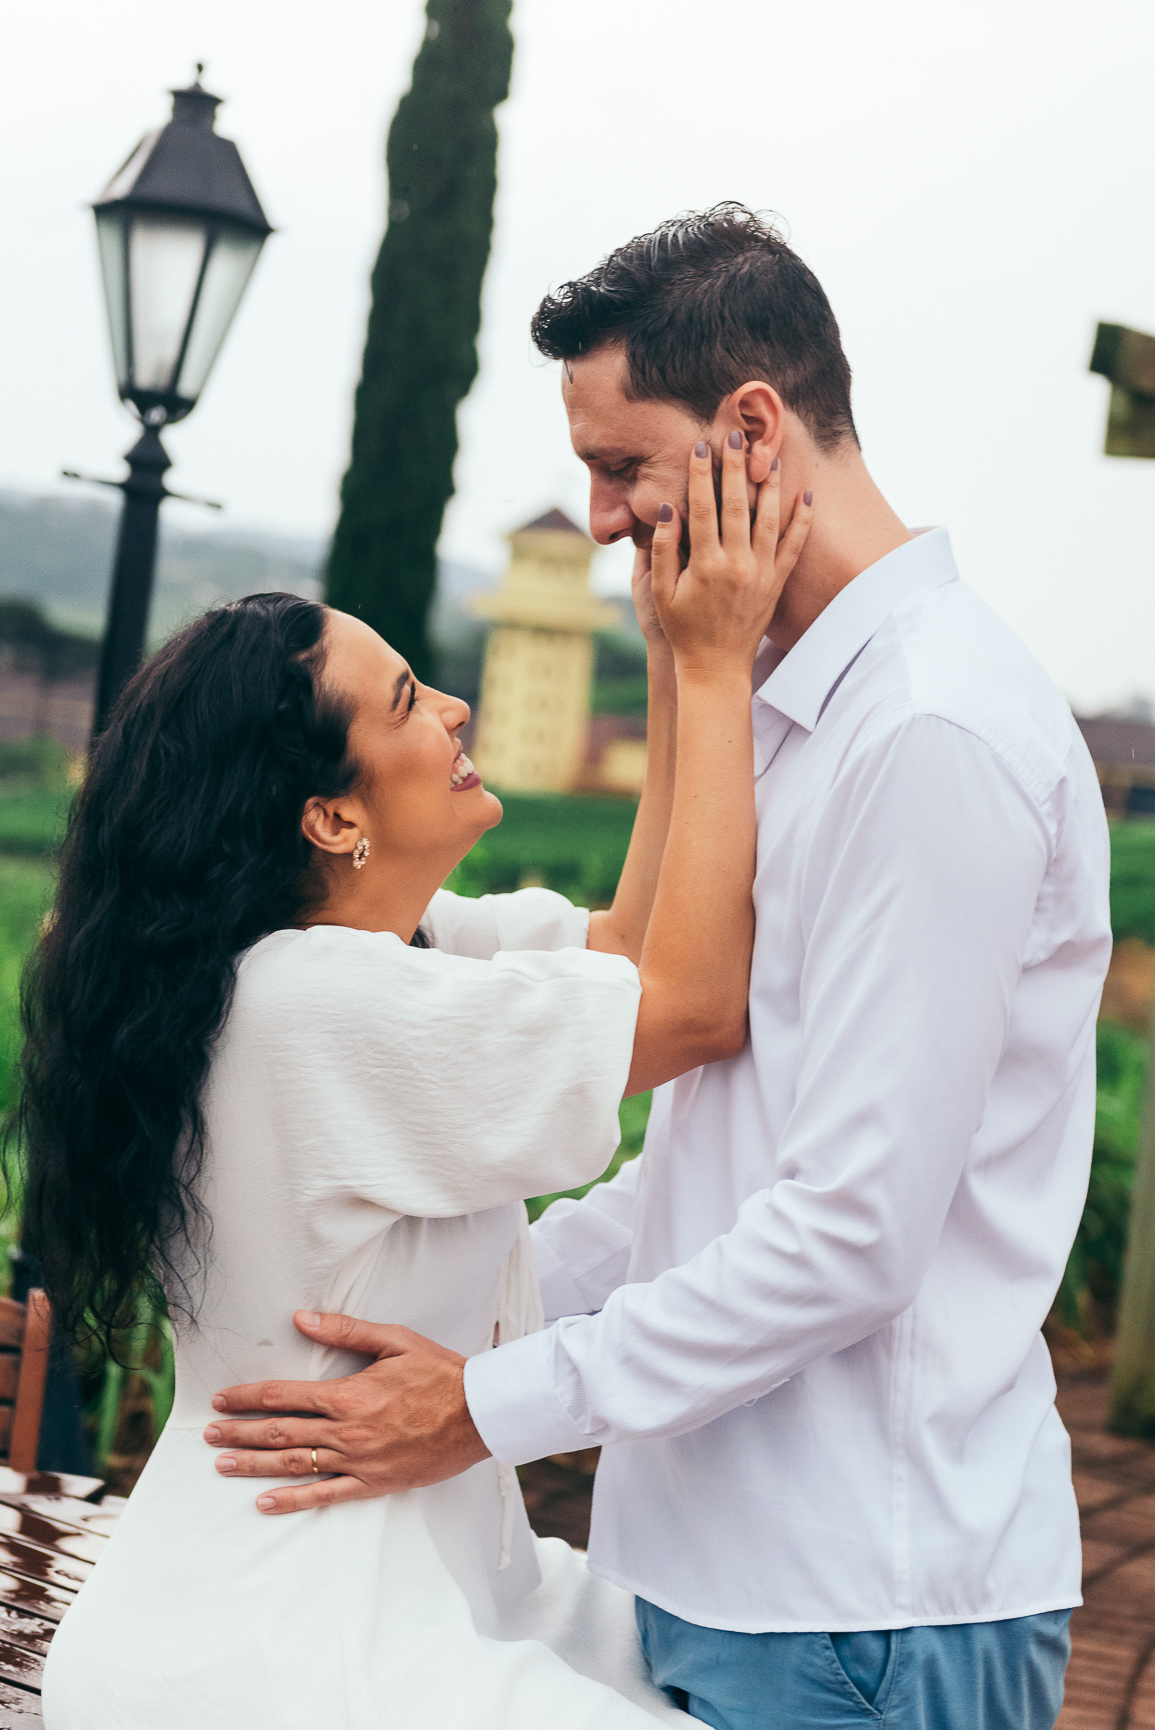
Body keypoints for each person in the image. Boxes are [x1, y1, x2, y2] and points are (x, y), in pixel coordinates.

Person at [210, 205, 1112, 1730]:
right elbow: (712, 1168)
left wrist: (484, 1404)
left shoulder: (929, 733)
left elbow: (850, 1231)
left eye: (620, 463)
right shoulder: (787, 714)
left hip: (862, 1608)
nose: (600, 517)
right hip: (707, 1578)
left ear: (752, 429)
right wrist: (444, 1332)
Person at [29, 425, 810, 1727]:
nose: (453, 706)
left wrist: (675, 661)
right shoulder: (309, 1004)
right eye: (404, 702)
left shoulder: (385, 950)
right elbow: (690, 1006)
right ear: (332, 816)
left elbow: (630, 948)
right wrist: (726, 666)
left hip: (398, 1580)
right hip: (293, 1639)